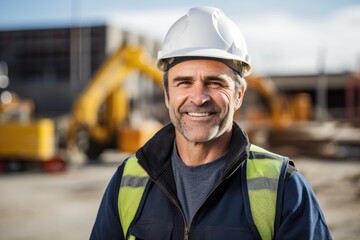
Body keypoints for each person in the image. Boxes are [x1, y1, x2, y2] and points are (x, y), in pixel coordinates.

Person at [90, 6, 332, 240]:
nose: (198, 98)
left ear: (238, 96)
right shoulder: (127, 180)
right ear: (166, 95)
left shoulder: (283, 187)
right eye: (184, 82)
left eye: (215, 83)